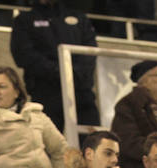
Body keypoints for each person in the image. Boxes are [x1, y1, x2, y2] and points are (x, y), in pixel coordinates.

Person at [10, 0, 99, 134]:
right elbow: (24, 56)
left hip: (81, 95)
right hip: (45, 95)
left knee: (92, 144)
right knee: (47, 147)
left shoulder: (80, 19)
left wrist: (73, 73)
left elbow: (90, 52)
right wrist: (60, 71)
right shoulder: (24, 20)